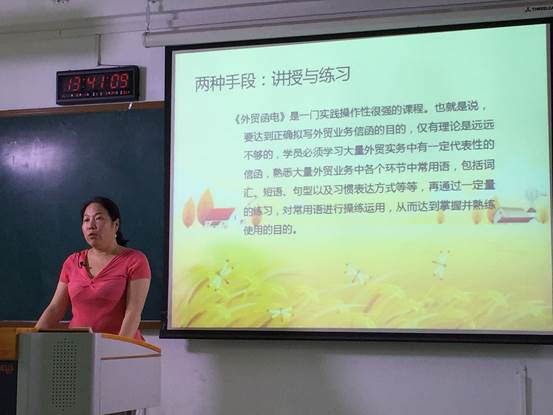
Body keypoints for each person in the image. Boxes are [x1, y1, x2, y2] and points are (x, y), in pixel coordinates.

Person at [36, 196, 151, 340]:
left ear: (115, 224)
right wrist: (31, 340)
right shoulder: (72, 262)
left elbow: (133, 313)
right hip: (77, 346)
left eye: (98, 218)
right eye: (86, 220)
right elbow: (55, 309)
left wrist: (119, 347)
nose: (91, 225)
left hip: (120, 347)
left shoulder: (135, 260)